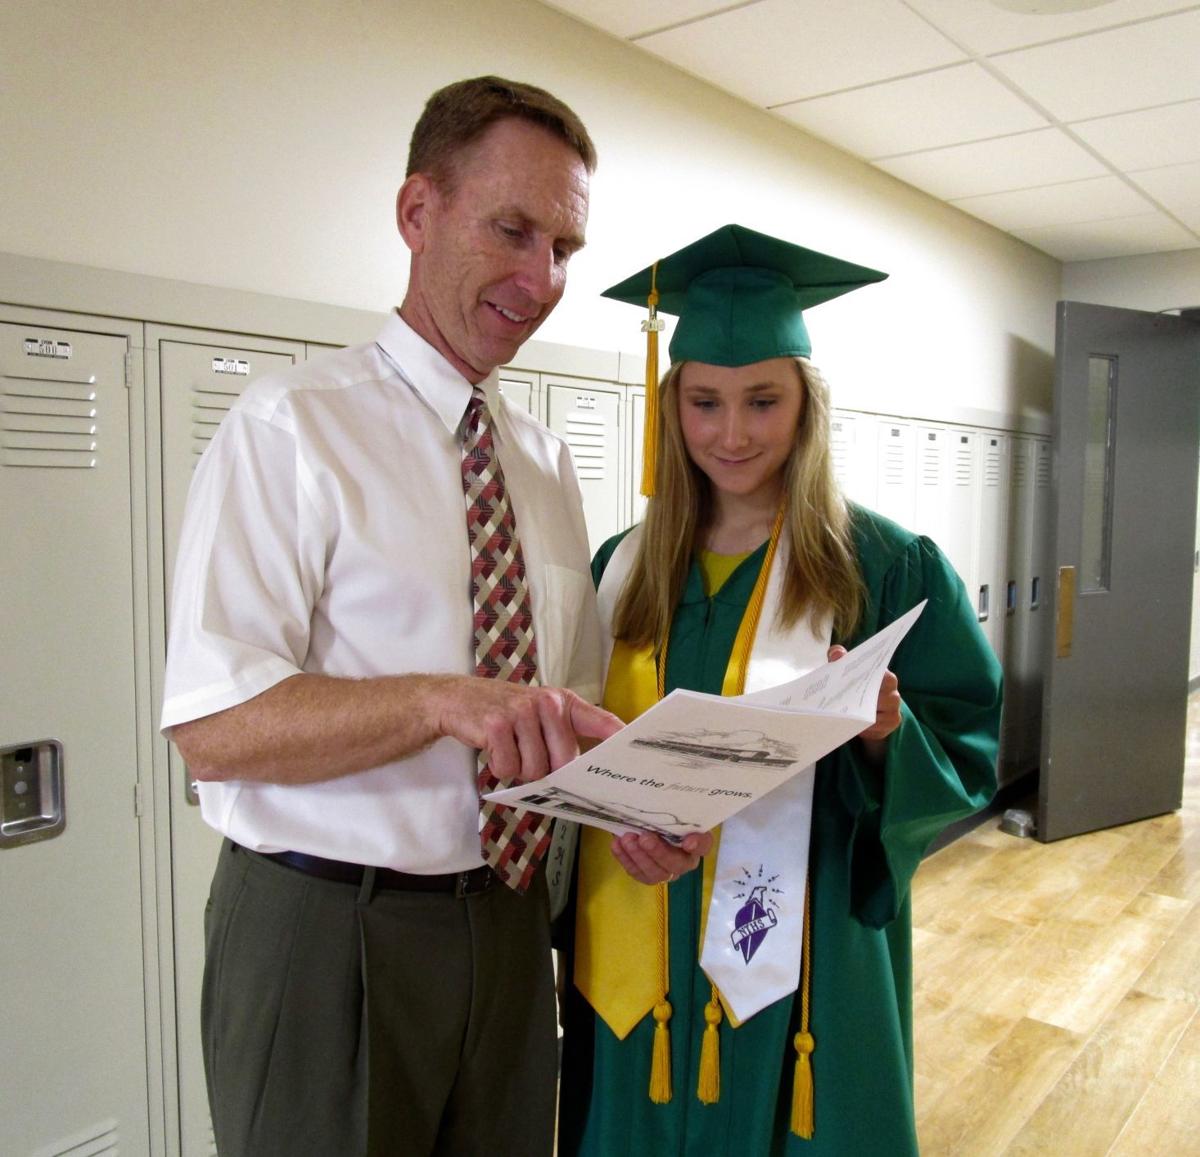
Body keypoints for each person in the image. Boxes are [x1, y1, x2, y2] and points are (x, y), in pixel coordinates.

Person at [160, 76, 702, 1157]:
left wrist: (625, 805)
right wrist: (439, 699)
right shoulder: (291, 428)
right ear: (418, 213)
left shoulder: (544, 466)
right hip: (327, 937)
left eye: (564, 246)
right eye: (512, 229)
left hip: (505, 931)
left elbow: (553, 716)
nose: (540, 277)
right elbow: (214, 730)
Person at [557, 223, 1003, 1156]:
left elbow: (967, 746)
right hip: (637, 938)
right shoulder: (623, 567)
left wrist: (889, 730)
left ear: (808, 405)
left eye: (764, 400)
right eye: (705, 401)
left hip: (801, 950)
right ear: (671, 404)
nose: (731, 432)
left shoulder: (882, 565)